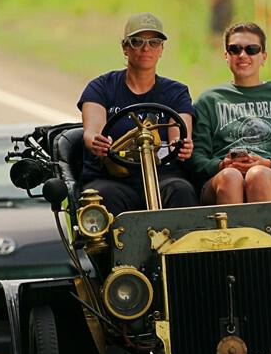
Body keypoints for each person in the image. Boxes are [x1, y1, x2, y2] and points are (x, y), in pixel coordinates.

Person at [78, 12, 197, 214]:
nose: (145, 48)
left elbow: (179, 133)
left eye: (154, 42)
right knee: (102, 197)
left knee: (181, 190)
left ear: (161, 49)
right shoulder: (101, 87)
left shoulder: (176, 92)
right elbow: (92, 132)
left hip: (162, 174)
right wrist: (97, 142)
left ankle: (182, 236)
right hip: (113, 177)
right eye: (137, 42)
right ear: (125, 48)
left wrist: (182, 145)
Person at [188, 22, 271, 204]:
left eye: (252, 49)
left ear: (263, 57)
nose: (242, 55)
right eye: (235, 49)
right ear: (226, 56)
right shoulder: (209, 101)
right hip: (221, 177)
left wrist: (268, 163)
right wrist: (222, 165)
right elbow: (196, 156)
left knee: (258, 175)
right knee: (231, 177)